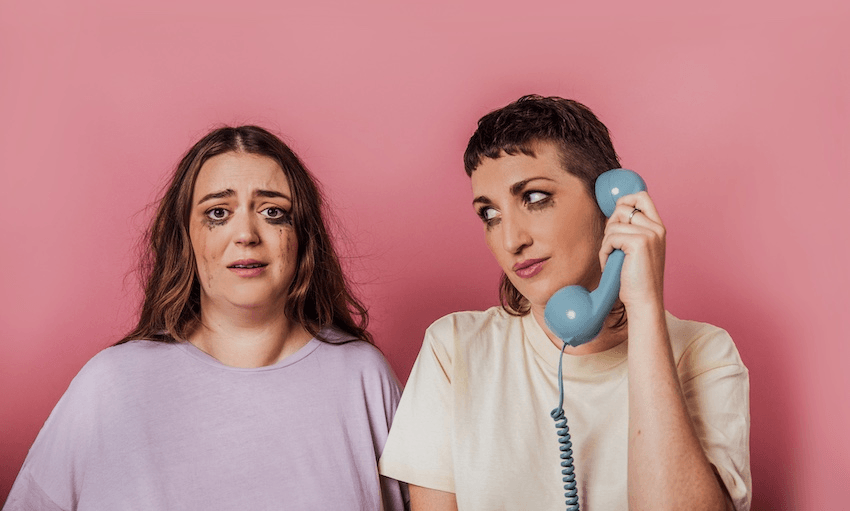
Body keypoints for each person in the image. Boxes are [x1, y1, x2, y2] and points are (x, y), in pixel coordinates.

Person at [4, 126, 407, 510]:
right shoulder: (109, 385)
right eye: (217, 213)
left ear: (303, 236)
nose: (246, 233)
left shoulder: (363, 378)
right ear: (186, 237)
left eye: (272, 211)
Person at [379, 95, 751, 510]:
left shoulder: (705, 352)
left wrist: (645, 308)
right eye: (490, 215)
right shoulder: (455, 348)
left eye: (536, 198)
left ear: (609, 201)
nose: (511, 240)